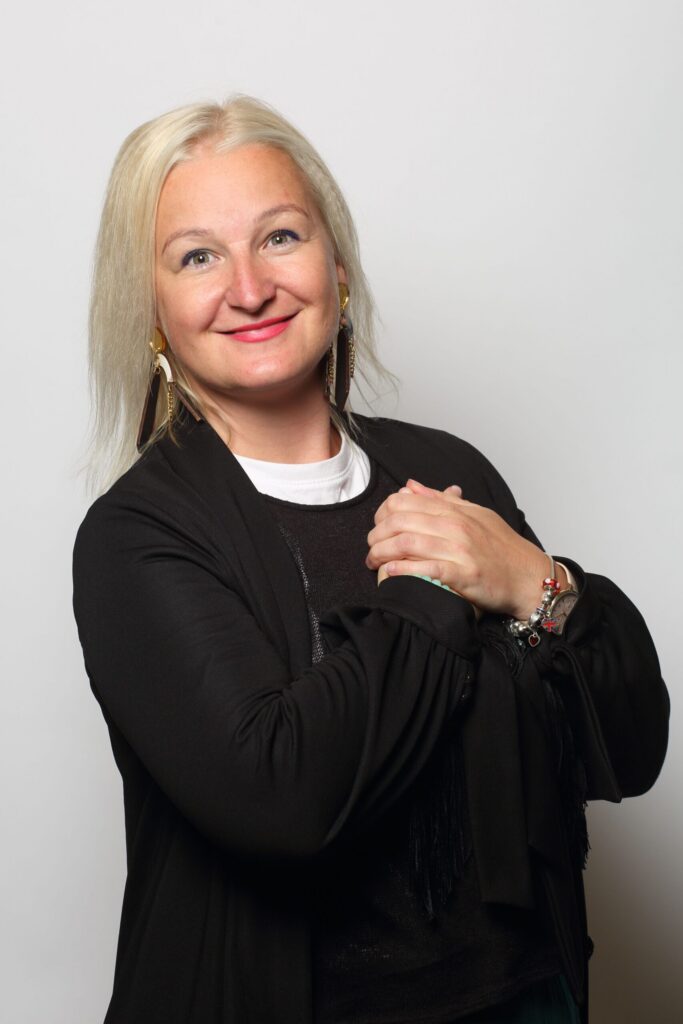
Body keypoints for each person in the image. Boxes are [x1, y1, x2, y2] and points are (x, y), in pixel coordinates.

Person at [73, 96, 669, 1024]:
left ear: (337, 268)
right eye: (196, 256)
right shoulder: (138, 536)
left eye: (279, 237)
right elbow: (281, 798)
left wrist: (531, 582)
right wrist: (433, 587)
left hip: (526, 1000)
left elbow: (627, 750)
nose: (248, 288)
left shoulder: (449, 470)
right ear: (151, 310)